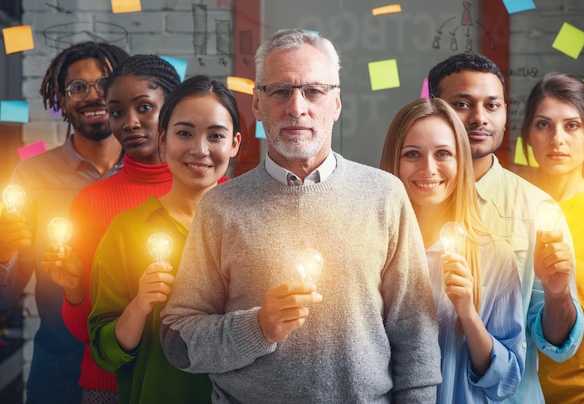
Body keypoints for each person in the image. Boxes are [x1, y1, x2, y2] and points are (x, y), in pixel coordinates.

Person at [160, 28, 442, 402]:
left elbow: (416, 333)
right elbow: (178, 341)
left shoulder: (385, 195)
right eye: (280, 91)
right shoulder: (221, 206)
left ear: (336, 103)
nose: (297, 107)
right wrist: (259, 327)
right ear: (257, 106)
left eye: (313, 91)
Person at [428, 52, 584, 404]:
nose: (479, 118)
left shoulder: (537, 210)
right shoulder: (404, 200)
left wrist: (558, 293)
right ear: (435, 110)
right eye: (462, 104)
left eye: (492, 105)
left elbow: (559, 346)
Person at [88, 76, 240, 403]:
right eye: (184, 133)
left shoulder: (255, 226)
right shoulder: (127, 231)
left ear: (235, 144)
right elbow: (106, 352)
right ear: (162, 140)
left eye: (215, 136)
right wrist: (141, 305)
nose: (200, 150)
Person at [40, 54, 181, 402]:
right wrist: (74, 290)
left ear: (173, 108)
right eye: (117, 112)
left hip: (189, 383)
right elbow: (84, 331)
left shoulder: (216, 192)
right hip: (109, 385)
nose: (130, 122)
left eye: (144, 108)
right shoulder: (91, 201)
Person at [0, 41, 129, 404]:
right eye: (78, 87)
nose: (93, 96)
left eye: (104, 84)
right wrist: (3, 251)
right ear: (60, 98)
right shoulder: (31, 177)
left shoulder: (157, 172)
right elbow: (4, 298)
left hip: (139, 372)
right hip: (61, 376)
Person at [380, 97, 526, 402]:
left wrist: (468, 313)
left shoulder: (495, 256)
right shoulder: (373, 251)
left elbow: (507, 379)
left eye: (443, 153)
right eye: (412, 154)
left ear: (461, 162)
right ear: (393, 162)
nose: (428, 168)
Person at [520, 72, 584, 403]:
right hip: (520, 394)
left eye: (572, 125)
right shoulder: (512, 209)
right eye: (543, 124)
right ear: (528, 136)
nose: (557, 138)